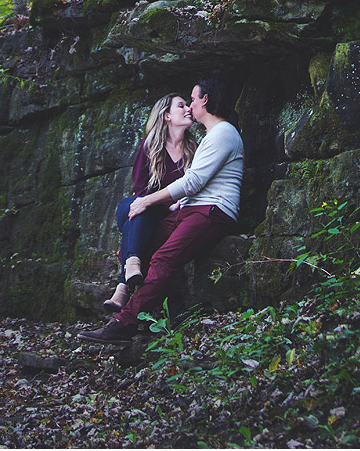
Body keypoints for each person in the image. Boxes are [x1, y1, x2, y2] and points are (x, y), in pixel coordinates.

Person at [80, 76, 244, 344]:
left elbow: (193, 182)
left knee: (163, 259)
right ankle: (141, 300)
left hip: (213, 211)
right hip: (192, 209)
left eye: (192, 99)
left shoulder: (224, 133)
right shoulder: (210, 137)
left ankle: (124, 323)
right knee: (138, 241)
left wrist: (147, 201)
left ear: (205, 100)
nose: (190, 105)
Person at [102, 93, 197, 315]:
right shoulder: (150, 146)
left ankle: (123, 284)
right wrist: (157, 203)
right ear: (166, 116)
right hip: (149, 210)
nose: (188, 109)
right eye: (181, 106)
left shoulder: (195, 148)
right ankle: (132, 264)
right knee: (133, 206)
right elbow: (141, 189)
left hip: (172, 214)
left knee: (134, 216)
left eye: (187, 105)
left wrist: (168, 204)